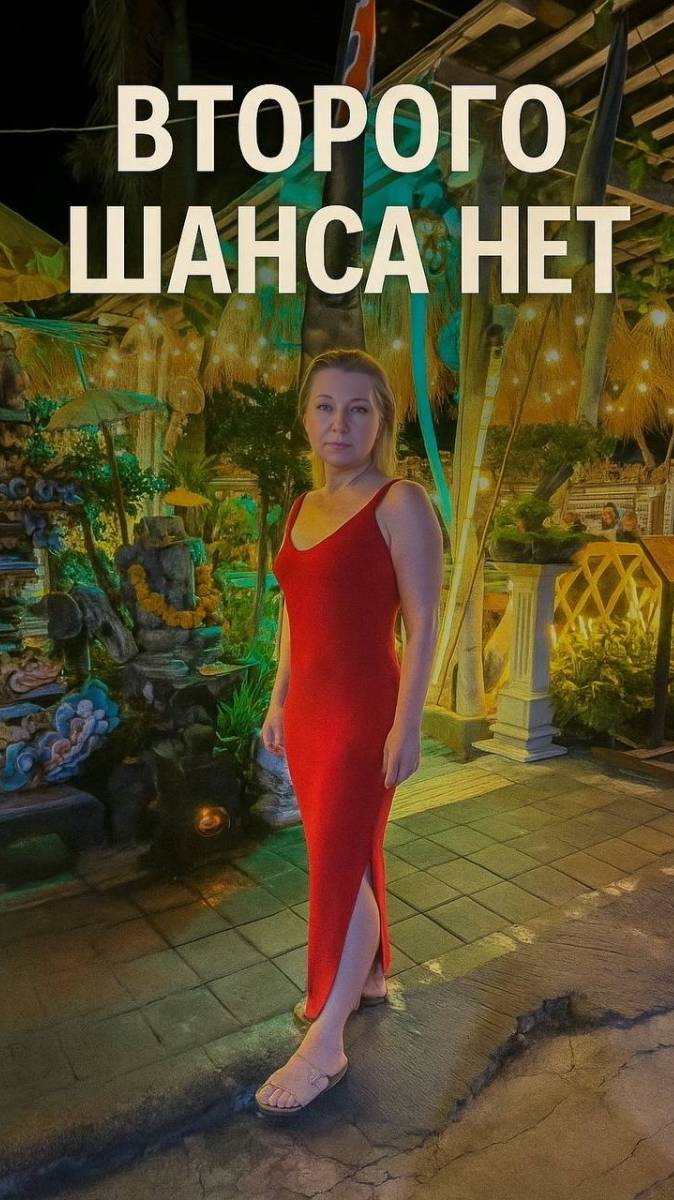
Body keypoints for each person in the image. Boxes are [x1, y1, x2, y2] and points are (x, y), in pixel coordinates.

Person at [255, 348, 444, 1115]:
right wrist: (278, 700)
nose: (340, 422)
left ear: (381, 421)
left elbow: (423, 622)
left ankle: (327, 1037)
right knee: (345, 856)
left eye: (359, 408)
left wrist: (409, 723)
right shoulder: (301, 506)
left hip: (365, 712)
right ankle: (365, 979)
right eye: (326, 406)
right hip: (307, 713)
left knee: (337, 865)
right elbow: (294, 619)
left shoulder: (400, 503)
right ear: (306, 418)